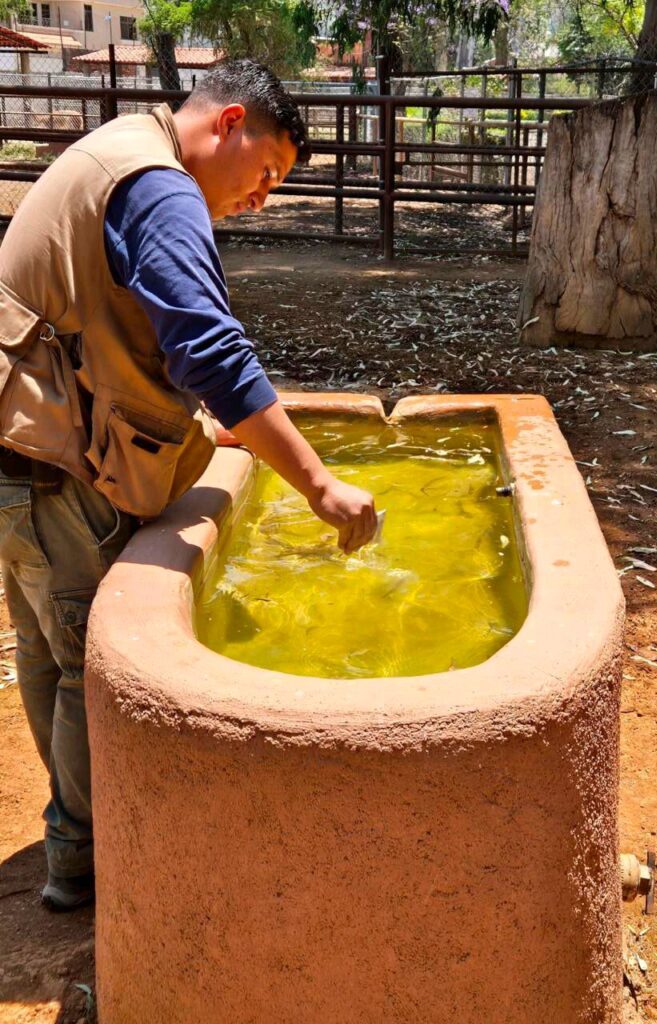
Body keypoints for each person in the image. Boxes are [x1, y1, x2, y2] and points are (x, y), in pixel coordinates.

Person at [0, 61, 376, 912]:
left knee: (46, 651)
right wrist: (318, 485)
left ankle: (71, 838)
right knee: (86, 666)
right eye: (268, 173)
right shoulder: (160, 188)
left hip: (17, 453)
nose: (263, 199)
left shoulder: (119, 151)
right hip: (60, 470)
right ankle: (87, 866)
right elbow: (208, 350)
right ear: (230, 122)